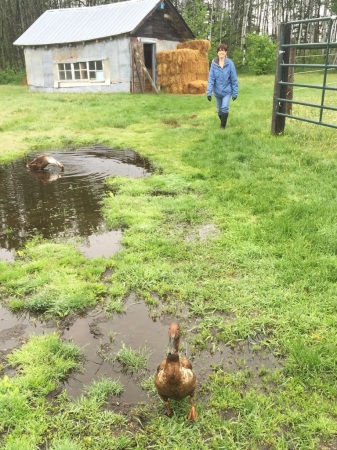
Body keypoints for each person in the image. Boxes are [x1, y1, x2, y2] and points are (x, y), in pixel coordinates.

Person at [206, 43, 238, 130]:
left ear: (226, 52)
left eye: (223, 50)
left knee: (224, 108)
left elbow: (234, 79)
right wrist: (209, 92)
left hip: (227, 92)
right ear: (217, 53)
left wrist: (234, 93)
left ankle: (222, 127)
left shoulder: (230, 64)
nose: (221, 52)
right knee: (219, 111)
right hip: (217, 92)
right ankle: (223, 122)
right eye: (220, 51)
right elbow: (211, 79)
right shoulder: (213, 64)